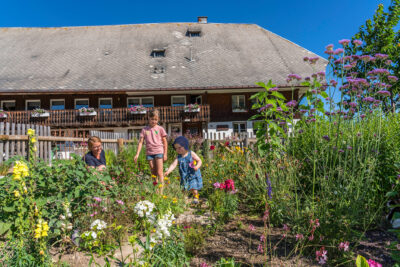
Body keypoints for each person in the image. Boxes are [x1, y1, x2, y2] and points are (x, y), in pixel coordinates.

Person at [134, 109, 168, 192]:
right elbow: (141, 142)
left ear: (158, 119)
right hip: (149, 153)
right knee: (153, 173)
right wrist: (137, 154)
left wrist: (165, 154)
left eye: (156, 119)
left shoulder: (160, 129)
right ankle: (155, 190)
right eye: (152, 119)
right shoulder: (145, 130)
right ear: (148, 118)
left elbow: (165, 142)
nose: (154, 121)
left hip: (159, 151)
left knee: (160, 172)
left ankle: (161, 191)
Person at [164, 136, 203, 204]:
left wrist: (197, 166)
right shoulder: (178, 157)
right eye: (176, 148)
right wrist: (168, 171)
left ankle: (196, 198)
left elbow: (199, 160)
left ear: (185, 146)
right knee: (184, 188)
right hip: (184, 176)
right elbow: (173, 164)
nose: (178, 150)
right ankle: (184, 199)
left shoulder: (191, 153)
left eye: (179, 147)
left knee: (194, 187)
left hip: (192, 174)